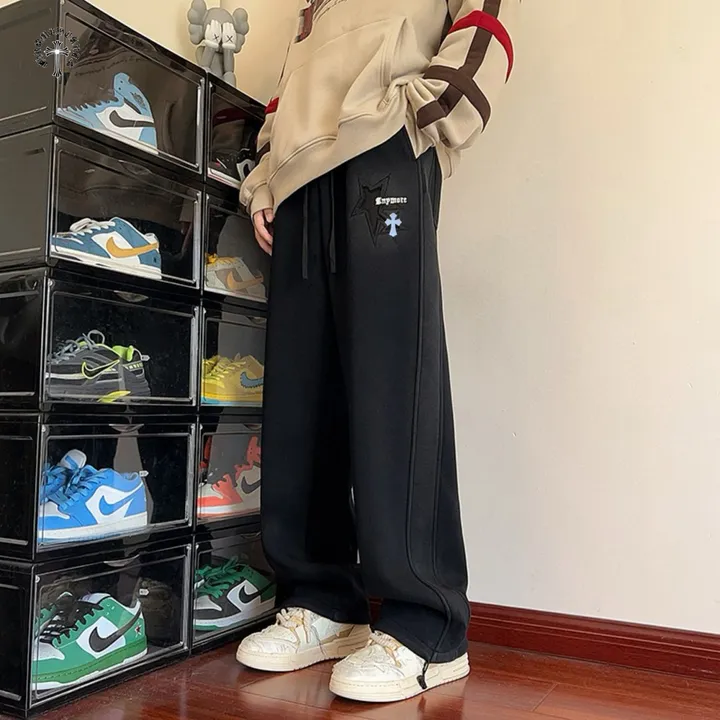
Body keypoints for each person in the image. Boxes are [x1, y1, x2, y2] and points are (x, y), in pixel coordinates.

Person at [236, 0, 518, 703]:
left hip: (385, 148)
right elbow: (292, 84)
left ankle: (429, 624)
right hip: (298, 180)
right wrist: (264, 177)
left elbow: (484, 24)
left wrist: (419, 119)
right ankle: (323, 602)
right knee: (301, 393)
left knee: (393, 379)